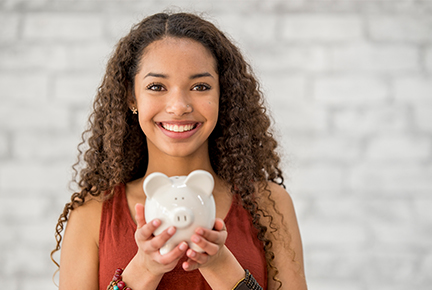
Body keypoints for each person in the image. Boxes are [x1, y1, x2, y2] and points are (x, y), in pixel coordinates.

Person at [51, 12, 307, 290]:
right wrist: (144, 270)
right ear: (131, 97)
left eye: (200, 86)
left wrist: (220, 266)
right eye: (156, 87)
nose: (179, 105)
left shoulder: (270, 204)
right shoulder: (91, 214)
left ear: (223, 95)